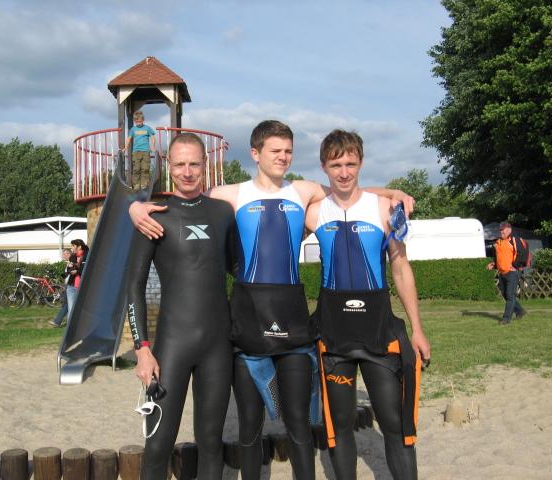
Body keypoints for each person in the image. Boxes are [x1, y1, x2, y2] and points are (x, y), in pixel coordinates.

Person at [129, 120, 415, 479]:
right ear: (255, 153)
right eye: (275, 150)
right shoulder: (219, 199)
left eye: (288, 151)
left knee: (264, 431)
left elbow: (347, 189)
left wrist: (393, 192)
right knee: (203, 435)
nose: (283, 156)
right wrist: (134, 206)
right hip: (215, 333)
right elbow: (143, 269)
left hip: (266, 332)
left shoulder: (294, 192)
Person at [307, 129, 430, 480]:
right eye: (336, 165)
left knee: (394, 422)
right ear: (324, 167)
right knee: (339, 425)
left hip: (379, 333)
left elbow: (401, 268)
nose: (344, 172)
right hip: (334, 336)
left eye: (351, 164)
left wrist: (417, 330)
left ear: (361, 163)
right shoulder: (314, 212)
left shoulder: (384, 209)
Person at [126, 133, 236, 479]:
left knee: (211, 443)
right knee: (158, 445)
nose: (187, 172)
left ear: (205, 165)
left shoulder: (223, 213)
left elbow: (240, 269)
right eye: (179, 164)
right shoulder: (153, 215)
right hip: (172, 347)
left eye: (194, 164)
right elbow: (134, 286)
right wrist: (142, 349)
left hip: (217, 346)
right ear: (168, 165)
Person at [486, 221, 527, 325]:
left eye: (503, 229)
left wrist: (515, 266)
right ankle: (520, 311)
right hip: (502, 272)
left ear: (509, 230)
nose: (501, 232)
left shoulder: (514, 240)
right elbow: (499, 257)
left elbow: (522, 254)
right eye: (500, 230)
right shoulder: (498, 242)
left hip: (512, 272)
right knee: (505, 294)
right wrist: (494, 264)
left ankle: (506, 319)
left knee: (510, 295)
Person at [124, 110, 157, 190]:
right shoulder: (133, 129)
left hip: (145, 151)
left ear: (143, 120)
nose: (138, 123)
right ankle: (136, 184)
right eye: (137, 122)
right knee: (136, 169)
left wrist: (152, 146)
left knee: (145, 168)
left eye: (140, 121)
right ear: (135, 121)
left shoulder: (147, 128)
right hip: (136, 152)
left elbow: (152, 137)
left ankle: (144, 184)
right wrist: (125, 148)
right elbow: (128, 139)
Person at [49, 248, 72, 328]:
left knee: (67, 305)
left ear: (69, 254)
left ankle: (57, 321)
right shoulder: (68, 263)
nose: (63, 255)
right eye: (63, 254)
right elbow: (66, 275)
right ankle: (58, 321)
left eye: (65, 254)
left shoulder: (71, 263)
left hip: (71, 286)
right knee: (66, 304)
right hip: (68, 286)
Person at [66, 239, 88, 315]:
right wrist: (69, 267)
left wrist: (77, 271)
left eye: (73, 246)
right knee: (71, 311)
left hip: (84, 287)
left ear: (79, 247)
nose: (71, 248)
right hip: (71, 287)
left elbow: (87, 269)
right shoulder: (72, 256)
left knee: (84, 310)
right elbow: (68, 271)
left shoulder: (88, 256)